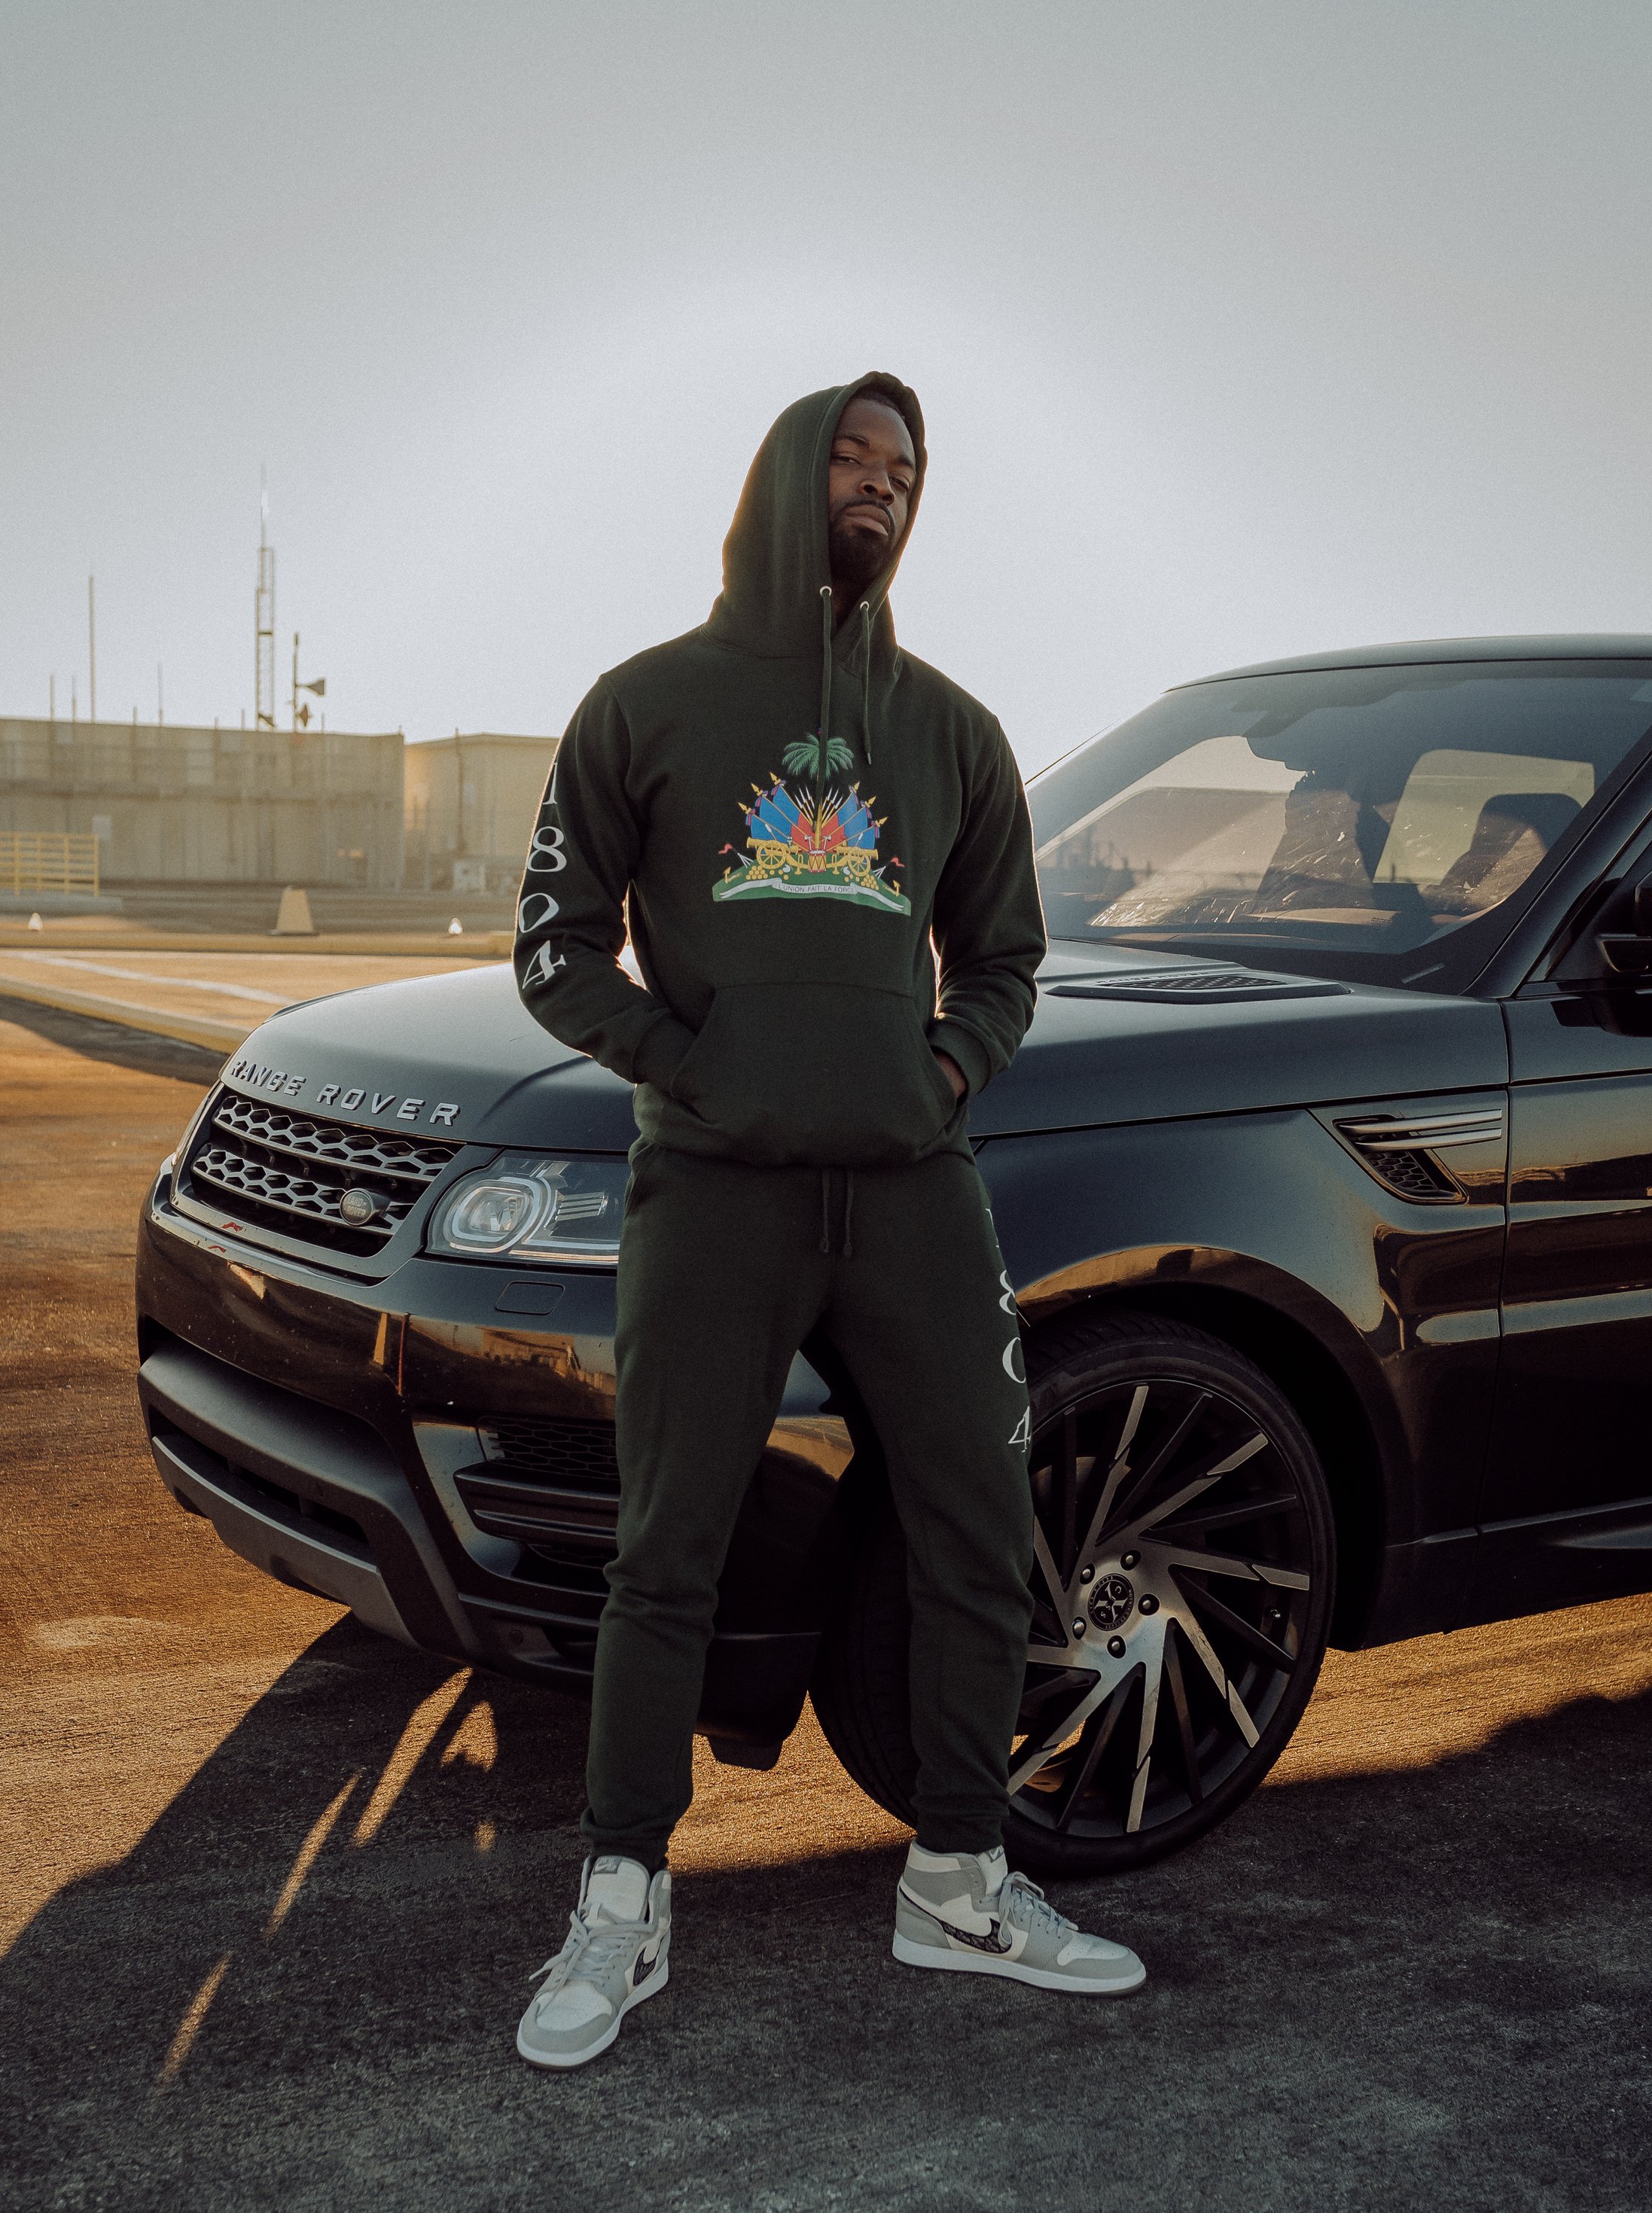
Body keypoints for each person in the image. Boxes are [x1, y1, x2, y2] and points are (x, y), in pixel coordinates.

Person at [511, 373, 1145, 2069]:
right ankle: (623, 1895)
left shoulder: (949, 727)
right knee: (669, 1548)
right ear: (786, 477)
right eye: (851, 457)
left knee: (973, 1520)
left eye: (905, 469)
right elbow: (553, 945)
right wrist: (684, 1065)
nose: (879, 485)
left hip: (911, 1191)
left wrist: (947, 1073)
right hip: (713, 1193)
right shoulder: (643, 703)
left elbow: (1006, 958)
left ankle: (955, 1876)